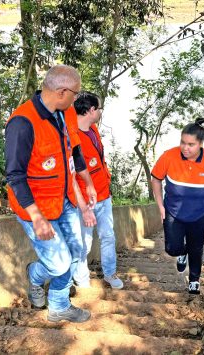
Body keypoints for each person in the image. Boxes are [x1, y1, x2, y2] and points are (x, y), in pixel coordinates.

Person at [4, 64, 98, 323]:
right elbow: (14, 176)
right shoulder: (23, 123)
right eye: (75, 94)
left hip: (64, 199)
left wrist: (84, 191)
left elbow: (74, 153)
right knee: (59, 264)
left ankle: (58, 306)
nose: (77, 99)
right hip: (36, 206)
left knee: (76, 251)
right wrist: (36, 217)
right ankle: (34, 275)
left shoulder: (65, 112)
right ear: (61, 91)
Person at [150, 118, 204, 294]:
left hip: (200, 215)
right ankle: (181, 253)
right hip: (173, 213)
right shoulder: (169, 156)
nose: (185, 148)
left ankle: (194, 279)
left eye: (191, 144)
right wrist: (161, 206)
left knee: (197, 247)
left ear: (200, 144)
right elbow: (156, 178)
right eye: (182, 142)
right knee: (172, 249)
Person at [71, 92, 124, 290]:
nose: (101, 111)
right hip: (84, 200)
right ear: (91, 110)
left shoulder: (93, 128)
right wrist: (83, 204)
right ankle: (81, 278)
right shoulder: (71, 136)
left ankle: (110, 273)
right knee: (84, 240)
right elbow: (72, 173)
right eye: (99, 108)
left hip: (103, 194)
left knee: (108, 235)